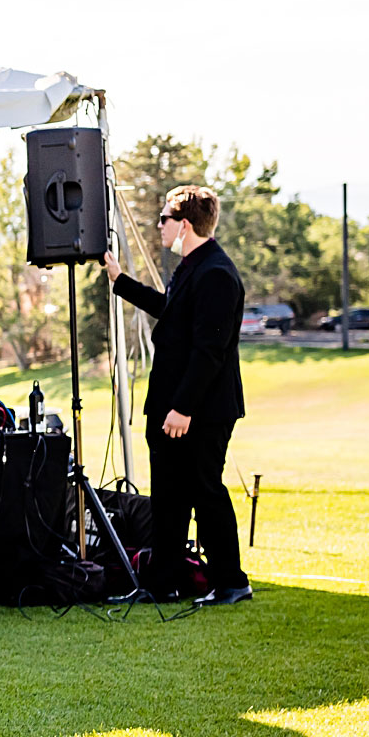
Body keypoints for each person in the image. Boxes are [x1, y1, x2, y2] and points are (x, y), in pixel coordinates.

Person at [105, 184, 251, 605]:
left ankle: (231, 582)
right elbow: (172, 311)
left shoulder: (217, 274)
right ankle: (161, 584)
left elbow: (210, 350)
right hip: (174, 405)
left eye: (164, 219)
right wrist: (121, 282)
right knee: (168, 497)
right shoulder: (192, 267)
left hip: (202, 410)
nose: (159, 226)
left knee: (205, 491)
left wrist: (183, 408)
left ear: (184, 224)